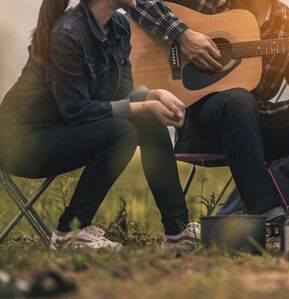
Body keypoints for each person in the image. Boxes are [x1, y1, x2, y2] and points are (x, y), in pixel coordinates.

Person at [130, 0, 289, 221]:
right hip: (202, 126)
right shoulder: (207, 4)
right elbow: (139, 3)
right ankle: (267, 215)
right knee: (238, 99)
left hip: (258, 126)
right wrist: (182, 35)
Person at [0, 0, 200, 250]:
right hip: (21, 143)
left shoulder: (117, 25)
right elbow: (78, 110)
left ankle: (177, 230)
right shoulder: (66, 34)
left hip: (65, 130)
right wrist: (144, 105)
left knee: (147, 121)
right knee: (122, 132)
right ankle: (71, 230)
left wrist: (152, 95)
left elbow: (121, 92)